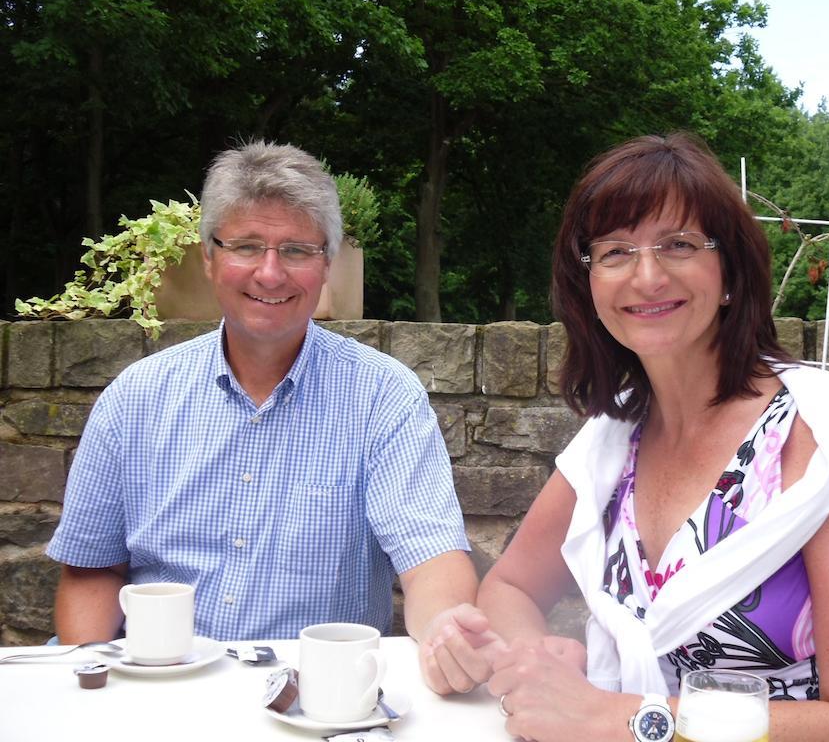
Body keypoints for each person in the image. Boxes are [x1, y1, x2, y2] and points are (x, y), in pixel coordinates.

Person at [475, 132, 829, 740]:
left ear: (728, 273)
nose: (647, 276)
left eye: (678, 244)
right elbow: (511, 585)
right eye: (616, 251)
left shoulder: (823, 438)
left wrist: (625, 717)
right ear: (589, 282)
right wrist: (537, 658)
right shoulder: (614, 438)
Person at [47, 140, 497, 695]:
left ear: (326, 264)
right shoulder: (134, 400)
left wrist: (448, 630)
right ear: (209, 257)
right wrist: (94, 693)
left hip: (319, 697)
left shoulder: (383, 397)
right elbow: (91, 570)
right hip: (158, 691)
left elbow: (430, 557)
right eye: (246, 245)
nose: (269, 273)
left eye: (297, 250)